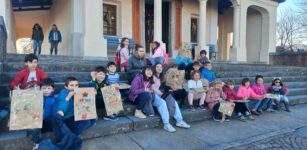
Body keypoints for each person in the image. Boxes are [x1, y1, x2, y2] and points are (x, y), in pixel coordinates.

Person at [152, 63, 190, 129]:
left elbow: (166, 79)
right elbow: (152, 88)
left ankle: (179, 120)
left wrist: (170, 73)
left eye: (161, 67)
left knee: (173, 101)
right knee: (162, 103)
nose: (159, 68)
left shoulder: (160, 76)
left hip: (160, 94)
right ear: (154, 68)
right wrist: (161, 93)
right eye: (157, 67)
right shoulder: (152, 76)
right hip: (152, 94)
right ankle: (166, 124)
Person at [27, 78, 59, 149]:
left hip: (47, 121)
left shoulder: (54, 100)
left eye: (48, 88)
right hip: (37, 120)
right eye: (44, 88)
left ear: (53, 89)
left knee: (55, 120)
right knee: (34, 123)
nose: (46, 90)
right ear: (40, 89)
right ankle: (36, 143)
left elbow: (54, 113)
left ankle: (59, 140)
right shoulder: (36, 98)